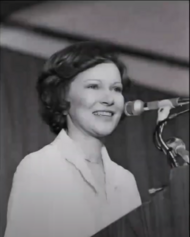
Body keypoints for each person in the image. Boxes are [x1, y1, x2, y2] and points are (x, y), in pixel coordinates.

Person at [4, 41, 142, 237]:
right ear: (62, 97)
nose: (109, 99)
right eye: (94, 86)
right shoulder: (39, 167)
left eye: (116, 89)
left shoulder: (126, 180)